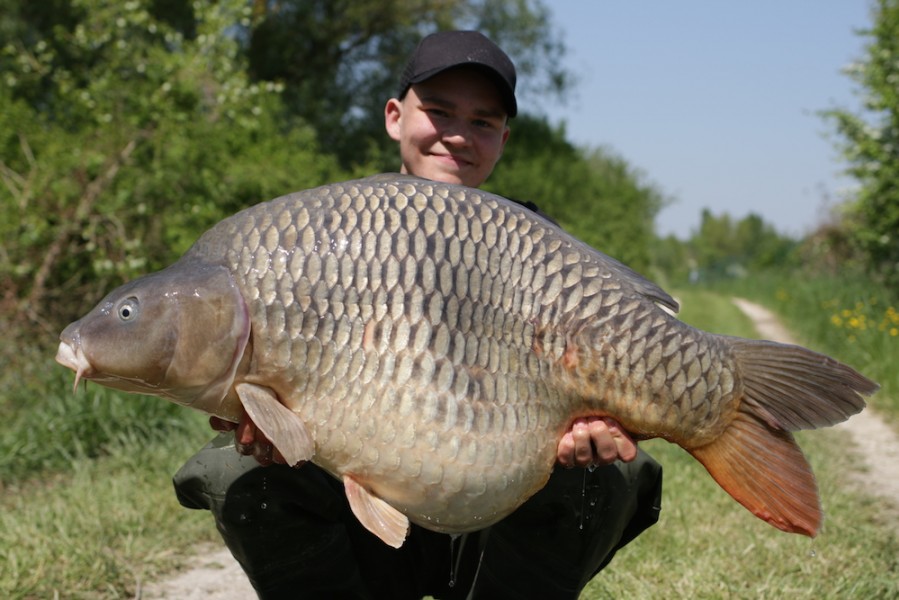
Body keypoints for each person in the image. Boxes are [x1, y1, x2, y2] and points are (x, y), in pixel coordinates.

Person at [174, 30, 663, 599]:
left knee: (607, 474)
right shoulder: (327, 234)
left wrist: (593, 430)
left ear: (503, 139)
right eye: (438, 111)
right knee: (237, 473)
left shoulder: (542, 255)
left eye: (482, 122)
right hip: (355, 504)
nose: (457, 135)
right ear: (394, 116)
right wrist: (270, 425)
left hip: (494, 507)